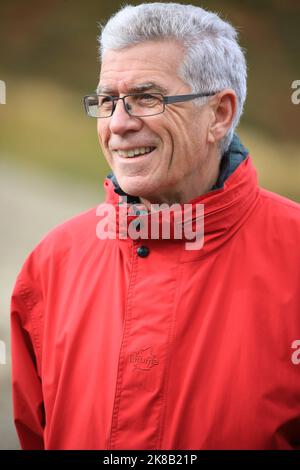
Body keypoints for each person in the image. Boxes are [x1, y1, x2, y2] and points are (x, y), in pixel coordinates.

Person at [11, 2, 300, 450]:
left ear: (220, 113)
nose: (120, 124)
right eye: (107, 101)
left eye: (148, 97)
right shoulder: (53, 263)